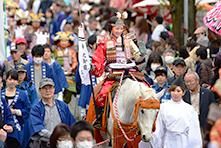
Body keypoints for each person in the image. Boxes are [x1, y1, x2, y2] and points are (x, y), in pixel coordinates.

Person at [90, 15, 146, 127]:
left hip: (130, 72)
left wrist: (142, 54)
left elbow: (137, 58)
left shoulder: (128, 41)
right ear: (111, 28)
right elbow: (98, 61)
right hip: (113, 74)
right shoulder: (104, 43)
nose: (119, 31)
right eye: (117, 28)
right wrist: (94, 67)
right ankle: (101, 118)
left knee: (146, 88)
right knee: (101, 94)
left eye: (121, 28)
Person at [149, 75, 202, 147]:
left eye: (178, 91)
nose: (175, 93)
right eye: (173, 90)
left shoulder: (189, 109)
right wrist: (155, 140)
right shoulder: (164, 107)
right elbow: (160, 128)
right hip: (168, 141)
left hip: (183, 142)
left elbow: (194, 131)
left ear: (183, 93)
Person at [26, 78, 76, 148]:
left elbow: (72, 124)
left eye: (50, 88)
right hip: (44, 145)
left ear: (54, 89)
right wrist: (56, 136)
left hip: (62, 144)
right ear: (39, 90)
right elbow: (39, 129)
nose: (48, 91)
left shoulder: (63, 106)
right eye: (44, 88)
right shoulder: (36, 108)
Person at [2, 69, 31, 147]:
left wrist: (15, 111)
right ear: (6, 80)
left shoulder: (22, 94)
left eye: (14, 80)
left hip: (18, 126)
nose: (12, 82)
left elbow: (28, 109)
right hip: (2, 124)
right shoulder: (1, 94)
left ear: (17, 81)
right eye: (10, 79)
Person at [0, 71, 15, 148]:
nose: (2, 86)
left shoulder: (2, 100)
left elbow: (9, 116)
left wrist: (10, 126)